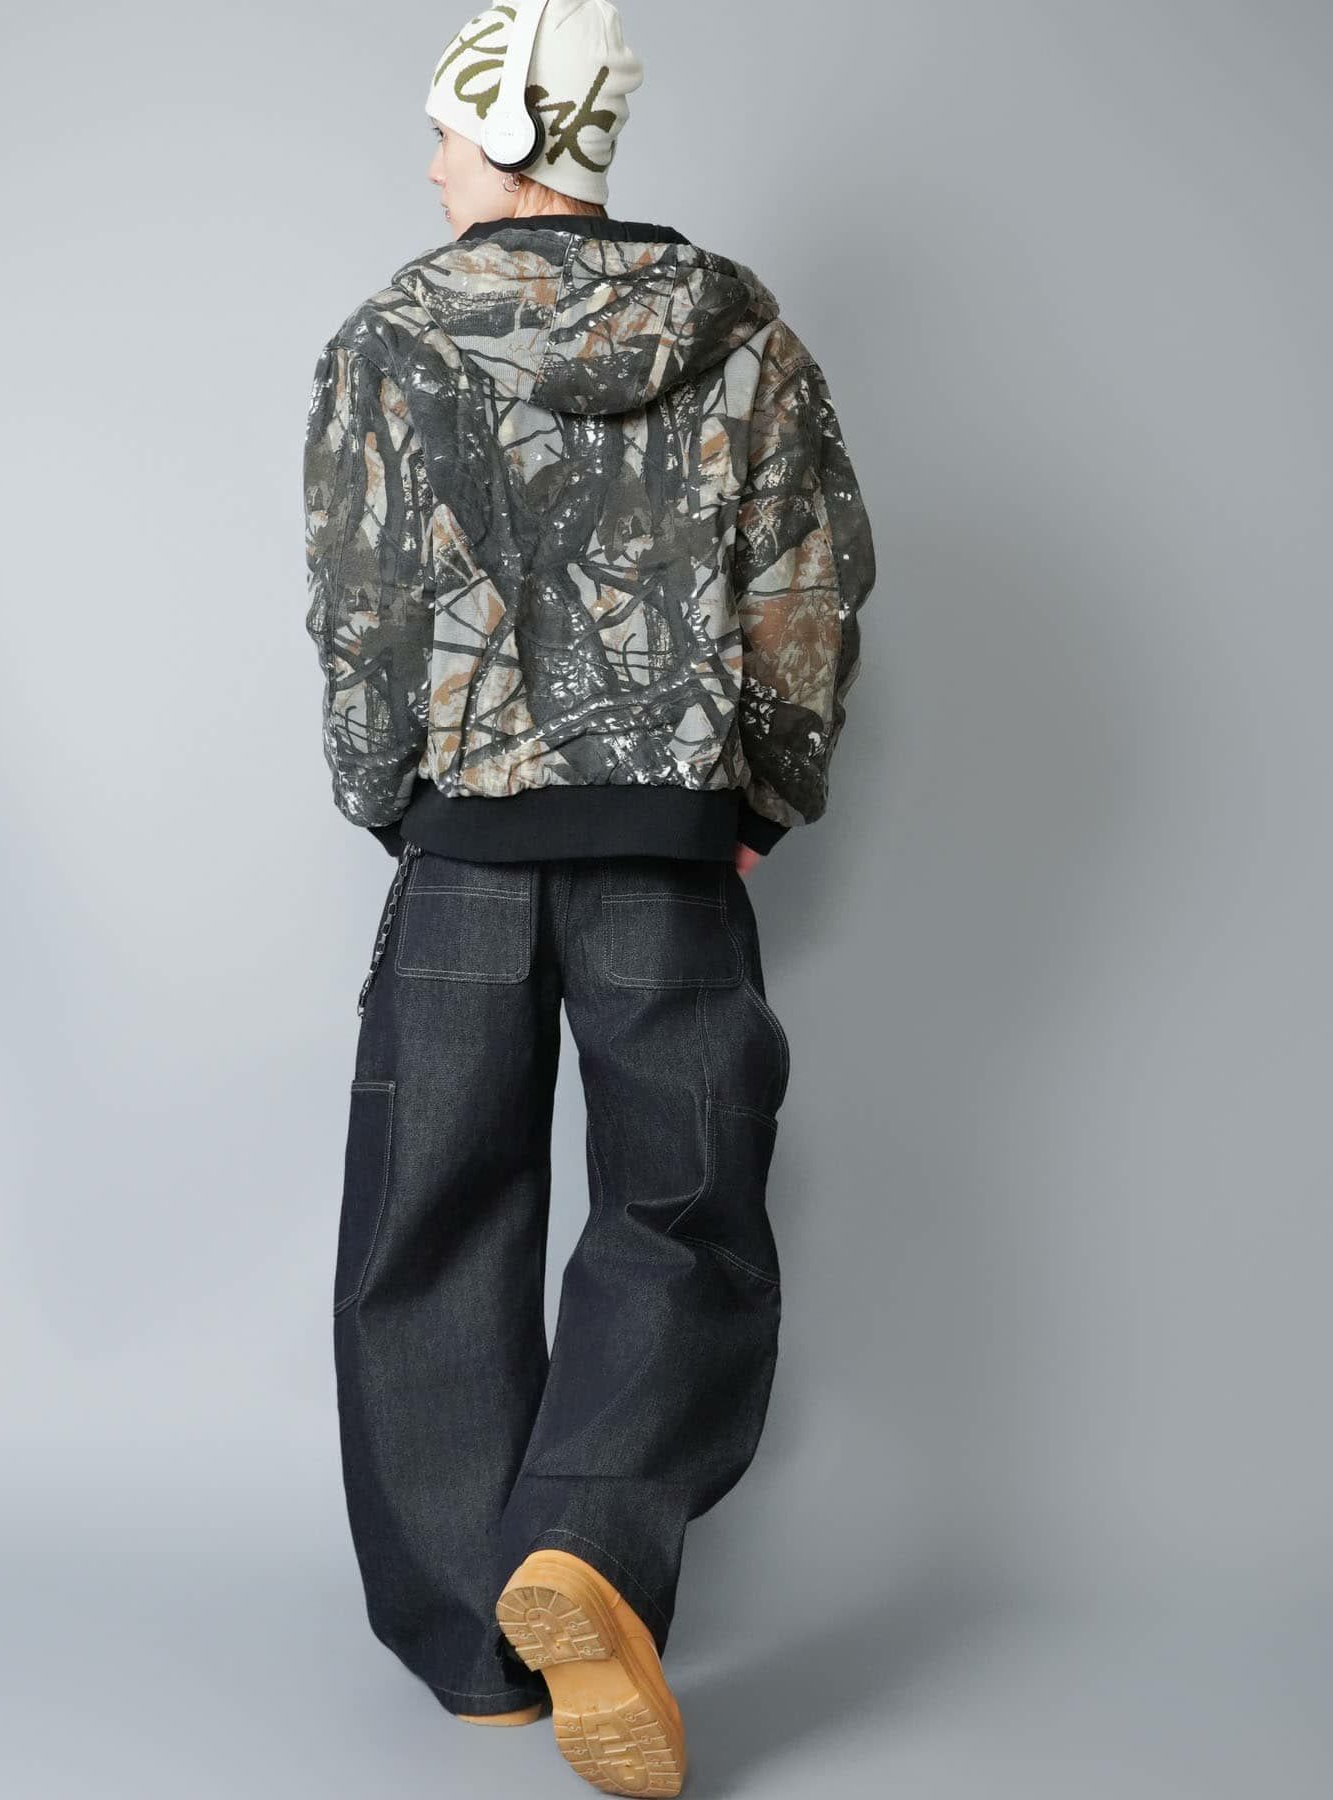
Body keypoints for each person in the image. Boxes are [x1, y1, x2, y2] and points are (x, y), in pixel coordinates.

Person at [301, 3, 876, 1791]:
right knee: (684, 1208)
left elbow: (358, 608)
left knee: (429, 1224)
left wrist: (398, 800)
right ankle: (588, 1548)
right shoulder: (744, 332)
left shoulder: (391, 340)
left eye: (445, 131)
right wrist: (758, 792)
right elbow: (809, 583)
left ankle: (481, 1648)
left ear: (508, 132)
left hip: (467, 850)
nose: (428, 166)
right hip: (666, 851)